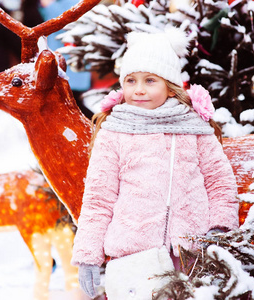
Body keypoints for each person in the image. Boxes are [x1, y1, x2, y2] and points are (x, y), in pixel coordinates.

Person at [71, 28, 239, 298]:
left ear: (170, 88)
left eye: (150, 81)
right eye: (130, 81)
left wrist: (219, 229)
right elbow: (98, 199)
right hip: (134, 260)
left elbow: (219, 182)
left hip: (192, 255)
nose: (138, 90)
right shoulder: (114, 133)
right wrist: (89, 255)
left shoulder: (194, 128)